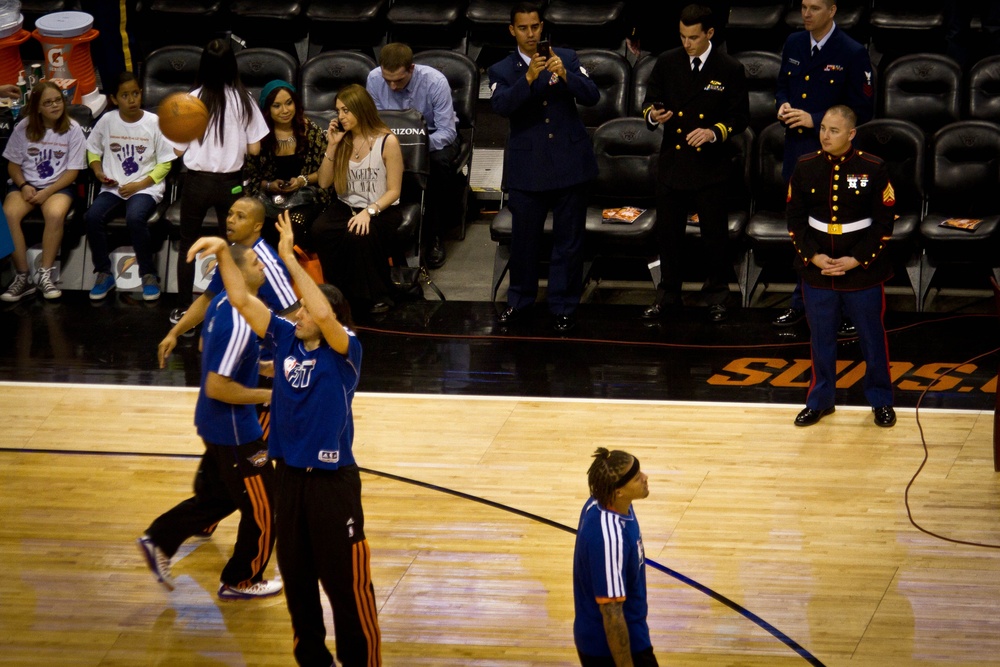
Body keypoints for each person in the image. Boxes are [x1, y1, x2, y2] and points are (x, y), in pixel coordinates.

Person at [189, 213, 381, 666]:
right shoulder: (285, 338)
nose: (294, 314)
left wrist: (291, 258)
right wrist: (221, 253)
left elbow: (323, 312)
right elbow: (239, 296)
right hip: (290, 481)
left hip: (333, 484)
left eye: (302, 308)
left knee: (347, 587)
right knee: (297, 582)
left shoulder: (345, 350)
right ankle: (312, 659)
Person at [137, 241, 282, 599]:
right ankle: (242, 580)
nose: (262, 267)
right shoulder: (239, 320)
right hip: (235, 430)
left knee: (220, 498)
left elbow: (208, 349)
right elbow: (219, 386)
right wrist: (270, 396)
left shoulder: (220, 304)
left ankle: (159, 539)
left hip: (214, 423)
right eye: (254, 262)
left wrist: (259, 368)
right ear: (237, 270)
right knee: (266, 507)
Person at [489, 2, 600, 333]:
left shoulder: (566, 57)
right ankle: (519, 301)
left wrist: (566, 76)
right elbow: (502, 106)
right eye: (523, 28)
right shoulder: (501, 69)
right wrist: (529, 77)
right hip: (528, 167)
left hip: (569, 163)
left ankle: (563, 305)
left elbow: (592, 96)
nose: (530, 34)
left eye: (535, 27)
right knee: (524, 240)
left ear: (542, 27)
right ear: (512, 30)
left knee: (569, 240)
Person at [787, 105, 896, 428]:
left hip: (862, 269)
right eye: (822, 129)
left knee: (871, 338)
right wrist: (813, 256)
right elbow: (795, 218)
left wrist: (857, 259)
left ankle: (880, 400)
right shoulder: (805, 166)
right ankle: (820, 401)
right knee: (821, 339)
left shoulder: (873, 167)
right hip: (818, 267)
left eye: (834, 131)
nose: (825, 136)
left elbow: (884, 222)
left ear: (851, 134)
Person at [640, 4, 749, 324]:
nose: (687, 43)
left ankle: (717, 296)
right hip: (673, 161)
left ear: (709, 33)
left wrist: (714, 132)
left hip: (711, 164)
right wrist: (653, 115)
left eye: (693, 37)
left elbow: (740, 118)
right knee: (669, 236)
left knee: (714, 236)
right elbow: (649, 102)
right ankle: (668, 295)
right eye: (682, 36)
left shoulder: (729, 68)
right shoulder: (667, 61)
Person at [773, 0, 874, 329]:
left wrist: (815, 119)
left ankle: (844, 311)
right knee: (803, 231)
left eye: (814, 8)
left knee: (840, 232)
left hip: (837, 156)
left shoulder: (852, 51)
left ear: (832, 10)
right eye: (803, 7)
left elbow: (863, 108)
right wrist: (783, 105)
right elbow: (782, 85)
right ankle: (801, 302)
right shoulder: (794, 43)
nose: (806, 14)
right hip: (799, 153)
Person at [171, 38, 269, 315]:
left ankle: (182, 309)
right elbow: (255, 147)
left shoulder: (191, 100)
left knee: (188, 244)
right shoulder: (244, 99)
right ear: (231, 66)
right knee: (232, 247)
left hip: (196, 183)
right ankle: (231, 307)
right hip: (231, 185)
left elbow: (177, 149)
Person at [158, 196, 298, 366]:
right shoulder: (231, 252)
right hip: (237, 350)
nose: (231, 220)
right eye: (230, 214)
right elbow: (207, 299)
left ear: (257, 226)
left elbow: (292, 317)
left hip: (265, 360)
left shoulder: (267, 264)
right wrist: (174, 333)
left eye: (240, 216)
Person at [310, 83, 404, 316]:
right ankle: (338, 294)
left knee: (360, 233)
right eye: (338, 111)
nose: (341, 116)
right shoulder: (342, 140)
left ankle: (376, 296)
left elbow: (394, 191)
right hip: (346, 205)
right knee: (320, 230)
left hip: (381, 207)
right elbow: (323, 182)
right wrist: (331, 146)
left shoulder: (387, 141)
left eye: (346, 111)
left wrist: (369, 212)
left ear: (361, 110)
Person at [84, 72, 176, 302]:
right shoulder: (106, 121)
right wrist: (98, 172)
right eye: (125, 95)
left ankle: (148, 274)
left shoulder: (154, 123)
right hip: (114, 188)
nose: (132, 99)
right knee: (92, 217)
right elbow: (93, 150)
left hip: (145, 187)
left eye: (135, 93)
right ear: (114, 99)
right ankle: (103, 272)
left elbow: (165, 164)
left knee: (135, 218)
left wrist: (138, 185)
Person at [367, 42, 459, 269]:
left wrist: (415, 147)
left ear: (412, 69)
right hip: (391, 141)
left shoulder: (435, 82)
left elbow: (447, 132)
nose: (393, 86)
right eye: (388, 80)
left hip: (432, 140)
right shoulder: (374, 79)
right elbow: (375, 123)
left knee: (437, 164)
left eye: (399, 80)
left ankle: (436, 234)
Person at [1, 82, 87, 302]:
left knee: (55, 214)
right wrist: (23, 185)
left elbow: (73, 171)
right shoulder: (24, 126)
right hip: (26, 184)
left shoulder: (73, 129)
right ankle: (22, 276)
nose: (55, 106)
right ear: (37, 107)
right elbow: (13, 165)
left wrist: (47, 191)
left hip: (58, 185)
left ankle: (45, 275)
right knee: (8, 214)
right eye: (48, 103)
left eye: (58, 100)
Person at [574, 447, 656, 666]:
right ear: (619, 491)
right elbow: (611, 613)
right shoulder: (610, 538)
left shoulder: (608, 503)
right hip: (613, 649)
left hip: (628, 635)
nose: (646, 478)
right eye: (638, 478)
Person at [242, 79, 330, 247]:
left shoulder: (310, 131)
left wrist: (301, 181)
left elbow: (324, 173)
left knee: (291, 225)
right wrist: (268, 185)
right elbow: (249, 178)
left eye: (289, 103)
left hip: (306, 198)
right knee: (261, 224)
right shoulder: (258, 137)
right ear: (268, 109)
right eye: (277, 106)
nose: (285, 110)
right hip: (268, 200)